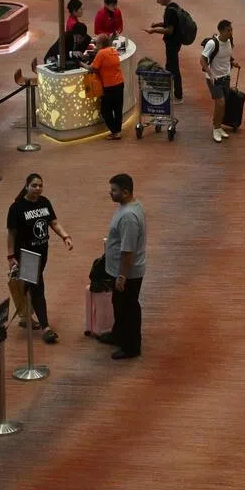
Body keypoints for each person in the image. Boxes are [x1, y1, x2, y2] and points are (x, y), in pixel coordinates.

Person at [6, 172, 73, 345]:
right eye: (34, 185)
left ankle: (24, 315)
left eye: (40, 185)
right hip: (27, 255)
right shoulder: (17, 208)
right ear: (26, 186)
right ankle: (46, 328)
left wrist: (65, 236)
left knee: (29, 285)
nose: (37, 189)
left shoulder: (45, 202)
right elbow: (11, 234)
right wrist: (11, 256)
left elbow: (54, 223)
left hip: (43, 252)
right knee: (37, 287)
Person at [102, 173, 146, 361]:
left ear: (126, 192)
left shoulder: (129, 216)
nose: (110, 193)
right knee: (119, 305)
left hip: (127, 272)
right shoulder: (129, 206)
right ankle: (118, 334)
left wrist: (122, 276)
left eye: (114, 190)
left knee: (128, 308)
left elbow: (127, 250)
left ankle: (131, 346)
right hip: (119, 269)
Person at [201, 19, 238, 143]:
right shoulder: (212, 43)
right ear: (221, 30)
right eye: (228, 30)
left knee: (223, 104)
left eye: (231, 29)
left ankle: (219, 126)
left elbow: (226, 56)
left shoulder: (229, 41)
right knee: (220, 102)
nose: (231, 32)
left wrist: (233, 63)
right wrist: (210, 74)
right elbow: (202, 60)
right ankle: (215, 128)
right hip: (214, 79)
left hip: (226, 77)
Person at [147, 0, 183, 100]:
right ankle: (172, 91)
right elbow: (169, 23)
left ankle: (177, 94)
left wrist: (154, 31)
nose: (157, 1)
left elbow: (169, 30)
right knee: (171, 66)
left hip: (172, 42)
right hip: (176, 41)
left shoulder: (169, 11)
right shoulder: (174, 6)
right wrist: (157, 24)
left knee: (173, 68)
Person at [88, 33, 126, 139]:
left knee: (105, 111)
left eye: (97, 43)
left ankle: (114, 131)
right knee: (118, 109)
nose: (95, 45)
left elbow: (93, 68)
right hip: (119, 83)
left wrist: (81, 64)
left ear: (101, 44)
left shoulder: (101, 53)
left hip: (109, 86)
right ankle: (117, 131)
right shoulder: (113, 50)